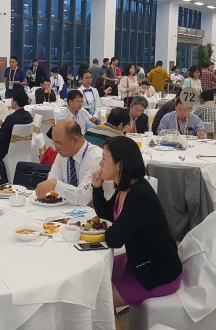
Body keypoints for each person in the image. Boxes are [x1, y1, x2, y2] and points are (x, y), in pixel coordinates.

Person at [91, 136, 182, 319]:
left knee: (98, 299)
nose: (100, 163)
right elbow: (107, 214)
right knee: (93, 277)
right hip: (139, 261)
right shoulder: (126, 187)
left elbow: (114, 239)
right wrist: (97, 187)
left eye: (104, 158)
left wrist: (102, 231)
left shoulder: (139, 196)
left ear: (120, 165)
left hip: (157, 273)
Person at [35, 121, 102, 206]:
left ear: (75, 140)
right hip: (66, 209)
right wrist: (52, 184)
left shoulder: (96, 158)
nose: (55, 149)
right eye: (54, 143)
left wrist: (55, 184)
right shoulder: (62, 154)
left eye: (58, 144)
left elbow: (85, 198)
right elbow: (51, 181)